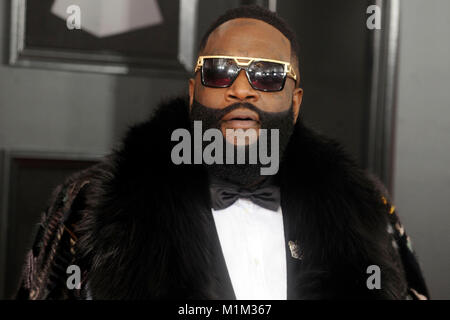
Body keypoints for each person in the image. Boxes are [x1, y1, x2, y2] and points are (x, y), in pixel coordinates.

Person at [16, 5, 428, 300]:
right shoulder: (89, 203)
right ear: (194, 92)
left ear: (295, 101)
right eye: (220, 71)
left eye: (267, 75)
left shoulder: (363, 208)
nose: (242, 88)